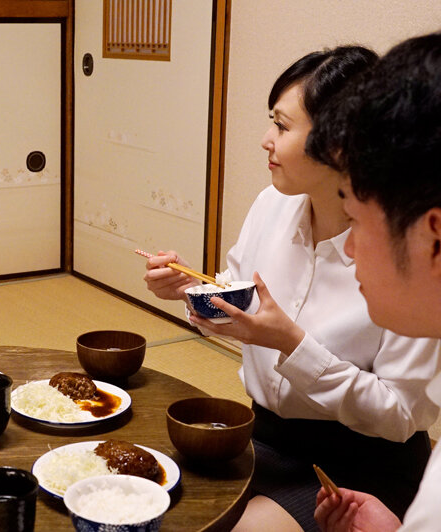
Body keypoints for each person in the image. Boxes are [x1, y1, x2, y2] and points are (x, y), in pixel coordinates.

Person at [143, 46, 441, 532]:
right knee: (154, 500)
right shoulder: (272, 205)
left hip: (360, 467)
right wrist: (191, 291)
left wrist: (293, 345)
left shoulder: (404, 255)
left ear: (339, 143)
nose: (266, 140)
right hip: (263, 436)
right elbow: (242, 303)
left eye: (282, 127)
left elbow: (401, 415)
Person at [311, 31, 441, 532]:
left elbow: (398, 411)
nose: (347, 248)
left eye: (355, 220)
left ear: (433, 237)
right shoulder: (271, 207)